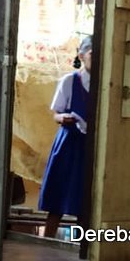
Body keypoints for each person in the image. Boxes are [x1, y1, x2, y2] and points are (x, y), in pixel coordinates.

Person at [38, 37, 93, 238]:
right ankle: (47, 240)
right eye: (92, 54)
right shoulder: (69, 81)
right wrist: (64, 117)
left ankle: (83, 245)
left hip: (90, 146)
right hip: (69, 144)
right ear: (81, 56)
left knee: (85, 199)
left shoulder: (105, 84)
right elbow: (56, 114)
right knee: (58, 196)